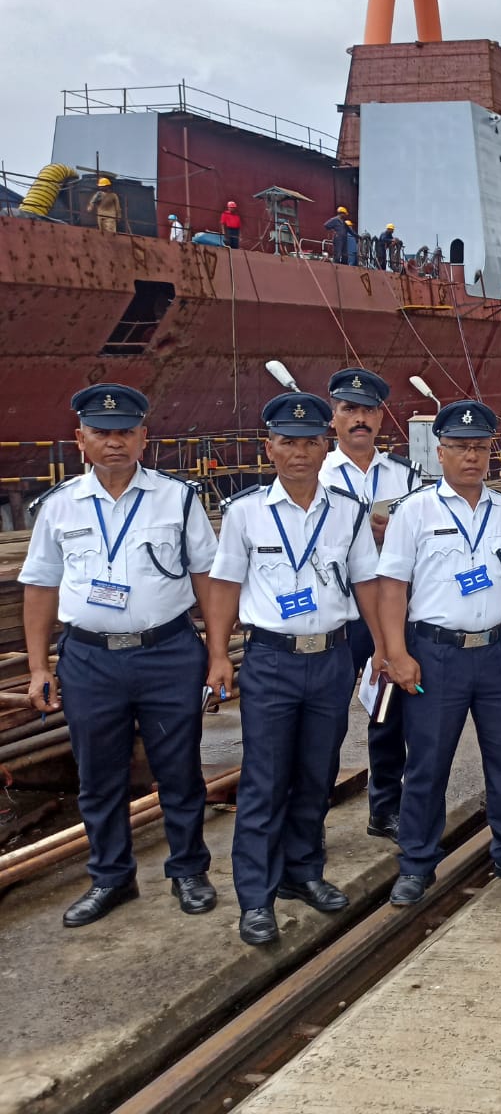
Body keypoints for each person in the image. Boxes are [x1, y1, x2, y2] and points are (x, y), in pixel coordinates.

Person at [21, 384, 218, 927]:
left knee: (179, 769)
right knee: (99, 775)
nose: (114, 442)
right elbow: (39, 588)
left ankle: (188, 870)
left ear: (144, 438)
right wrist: (40, 666)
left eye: (125, 432)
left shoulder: (178, 499)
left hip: (167, 652)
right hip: (89, 659)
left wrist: (220, 652)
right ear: (80, 439)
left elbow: (207, 577)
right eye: (102, 433)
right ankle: (111, 878)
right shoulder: (58, 507)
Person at [203, 394, 382, 945]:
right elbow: (224, 587)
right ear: (269, 448)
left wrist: (385, 648)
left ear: (323, 446)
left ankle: (303, 873)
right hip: (271, 660)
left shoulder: (348, 512)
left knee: (316, 772)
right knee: (263, 780)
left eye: (309, 442)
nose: (299, 452)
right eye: (287, 442)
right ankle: (255, 897)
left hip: (330, 659)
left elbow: (369, 586)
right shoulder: (245, 513)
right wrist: (217, 656)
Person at [375, 400, 501, 903]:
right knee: (428, 764)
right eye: (459, 448)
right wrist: (395, 653)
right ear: (441, 451)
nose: (471, 457)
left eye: (479, 448)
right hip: (436, 655)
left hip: (498, 654)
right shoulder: (414, 511)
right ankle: (416, 862)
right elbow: (392, 588)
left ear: (491, 452)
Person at [319, 368, 422, 842]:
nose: (359, 420)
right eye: (349, 411)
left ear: (381, 417)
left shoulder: (407, 476)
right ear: (333, 419)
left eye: (367, 411)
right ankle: (310, 820)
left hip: (392, 607)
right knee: (326, 718)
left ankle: (385, 807)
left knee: (390, 712)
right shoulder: (314, 474)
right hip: (336, 612)